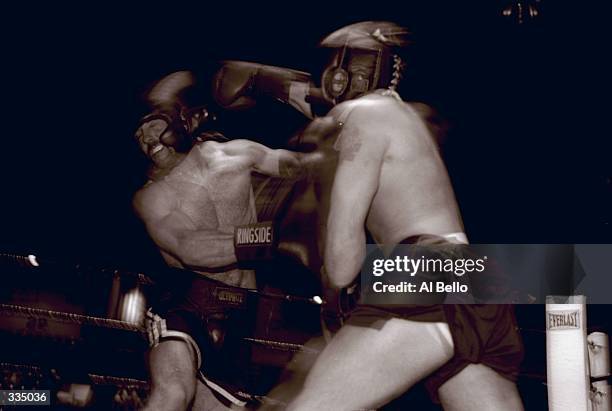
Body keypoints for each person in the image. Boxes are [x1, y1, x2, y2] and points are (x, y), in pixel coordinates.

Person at [283, 21, 524, 410]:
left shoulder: (362, 117)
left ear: (345, 72)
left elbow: (343, 265)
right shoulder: (405, 118)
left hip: (424, 275)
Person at [132, 67, 326, 411]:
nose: (146, 138)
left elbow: (313, 167)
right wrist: (276, 236)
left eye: (152, 123)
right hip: (186, 302)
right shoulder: (153, 196)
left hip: (245, 312)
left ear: (182, 119)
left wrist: (306, 99)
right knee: (173, 393)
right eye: (139, 134)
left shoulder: (240, 154)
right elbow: (191, 248)